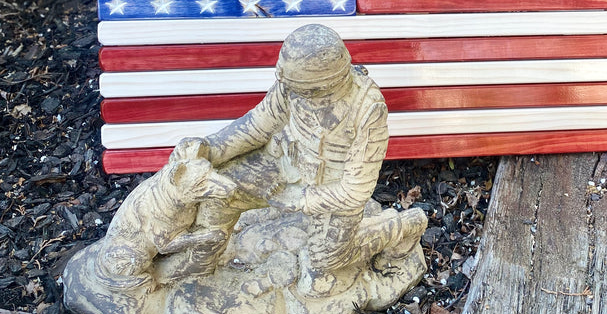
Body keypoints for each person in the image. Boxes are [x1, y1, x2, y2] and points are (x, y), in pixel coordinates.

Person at [171, 24, 424, 295]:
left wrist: (301, 200)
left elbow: (356, 190)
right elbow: (258, 126)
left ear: (323, 85)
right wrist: (210, 148)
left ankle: (405, 224)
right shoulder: (291, 87)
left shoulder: (367, 107)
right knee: (218, 190)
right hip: (286, 165)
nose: (292, 93)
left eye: (304, 90)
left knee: (323, 265)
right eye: (290, 86)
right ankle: (204, 263)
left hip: (332, 192)